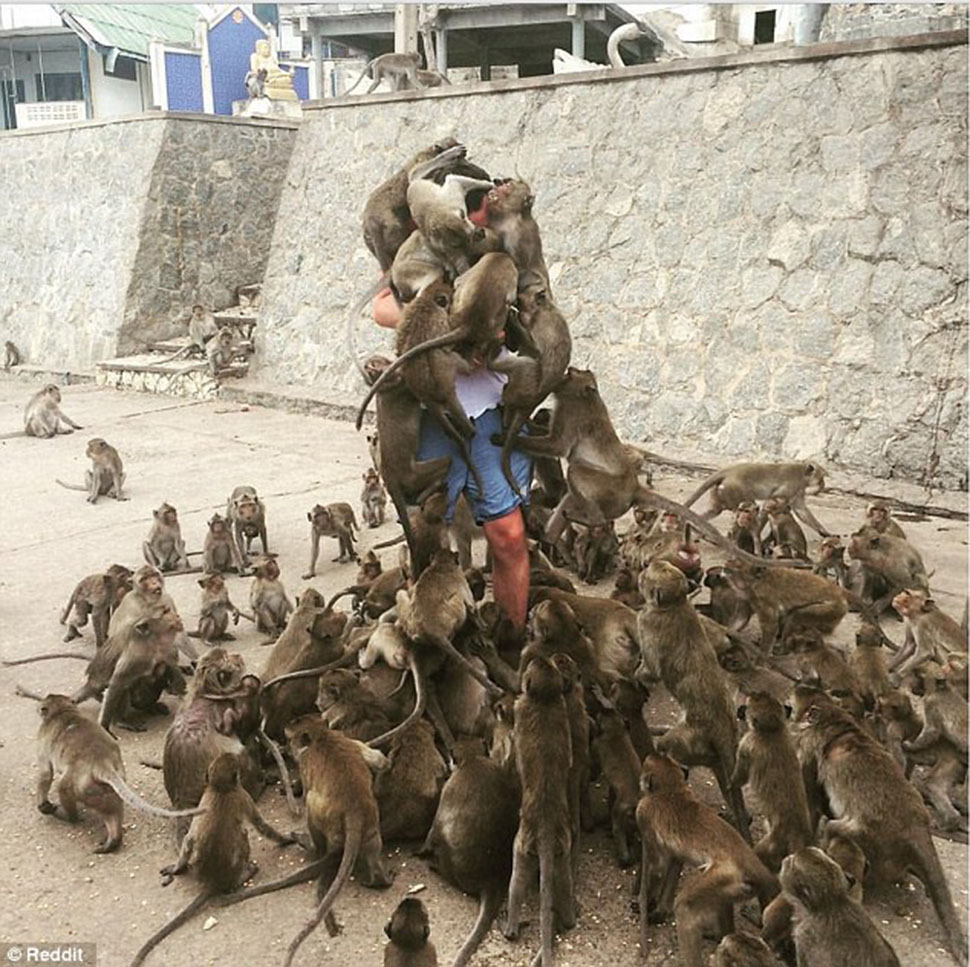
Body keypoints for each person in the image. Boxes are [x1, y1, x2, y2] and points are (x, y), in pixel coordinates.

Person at [371, 283, 532, 631]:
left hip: (492, 407)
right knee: (427, 542)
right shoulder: (418, 258)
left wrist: (494, 326)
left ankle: (510, 637)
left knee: (509, 535)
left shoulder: (503, 260)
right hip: (425, 414)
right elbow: (381, 308)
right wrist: (437, 325)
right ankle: (428, 637)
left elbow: (532, 316)